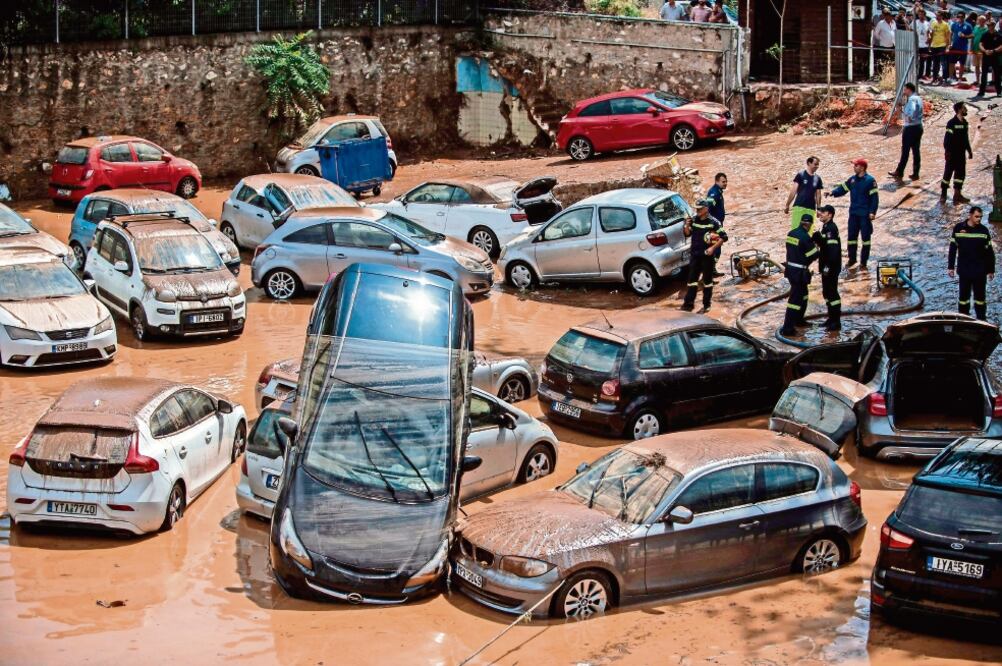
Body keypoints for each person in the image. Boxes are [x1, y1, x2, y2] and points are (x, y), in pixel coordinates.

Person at [830, 158, 879, 270]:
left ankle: (863, 262)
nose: (854, 167)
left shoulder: (870, 181)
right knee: (852, 237)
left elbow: (874, 198)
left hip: (865, 215)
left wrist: (872, 212)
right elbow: (843, 188)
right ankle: (852, 259)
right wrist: (833, 193)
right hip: (853, 214)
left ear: (862, 167)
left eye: (856, 166)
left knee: (865, 239)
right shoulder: (852, 180)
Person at [680, 198, 727, 313]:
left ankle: (707, 305)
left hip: (707, 257)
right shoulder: (694, 220)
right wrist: (686, 225)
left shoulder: (714, 222)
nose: (697, 211)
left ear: (706, 209)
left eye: (700, 209)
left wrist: (712, 248)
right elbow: (687, 234)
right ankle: (688, 305)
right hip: (695, 255)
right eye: (696, 209)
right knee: (692, 281)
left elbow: (724, 237)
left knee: (707, 282)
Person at [948, 206, 995, 320]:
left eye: (980, 217)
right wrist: (950, 267)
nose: (979, 219)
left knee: (980, 299)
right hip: (964, 271)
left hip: (980, 271)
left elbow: (989, 252)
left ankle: (982, 321)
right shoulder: (958, 229)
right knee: (963, 299)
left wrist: (990, 270)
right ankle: (963, 320)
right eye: (976, 217)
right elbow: (952, 248)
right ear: (970, 215)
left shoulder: (984, 231)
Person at [780, 214, 820, 337]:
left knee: (803, 296)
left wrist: (810, 243)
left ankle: (799, 321)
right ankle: (788, 328)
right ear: (808, 224)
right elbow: (812, 256)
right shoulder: (805, 237)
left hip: (791, 270)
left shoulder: (791, 233)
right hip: (799, 272)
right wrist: (816, 245)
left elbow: (797, 249)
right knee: (795, 300)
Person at [813, 205, 842, 331]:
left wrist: (827, 268)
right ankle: (831, 319)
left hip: (831, 267)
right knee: (827, 293)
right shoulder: (825, 228)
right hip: (827, 266)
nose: (820, 213)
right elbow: (825, 246)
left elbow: (833, 251)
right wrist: (818, 239)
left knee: (832, 293)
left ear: (830, 215)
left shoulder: (831, 228)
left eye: (823, 212)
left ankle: (836, 323)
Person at [889, 82, 923, 180]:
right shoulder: (919, 98)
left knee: (905, 151)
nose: (904, 91)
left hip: (910, 128)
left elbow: (910, 115)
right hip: (919, 127)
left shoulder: (911, 100)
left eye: (905, 89)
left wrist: (900, 111)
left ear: (909, 89)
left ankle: (899, 172)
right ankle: (916, 174)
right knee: (916, 151)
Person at [942, 101, 973, 204]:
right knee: (947, 174)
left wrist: (969, 150)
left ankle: (957, 195)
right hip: (952, 154)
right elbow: (946, 140)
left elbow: (966, 139)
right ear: (959, 109)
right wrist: (947, 152)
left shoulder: (965, 123)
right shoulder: (951, 123)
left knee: (960, 175)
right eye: (964, 108)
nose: (966, 110)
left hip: (961, 154)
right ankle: (943, 194)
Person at [785, 156, 823, 229]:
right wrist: (787, 205)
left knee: (809, 232)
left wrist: (819, 208)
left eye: (818, 164)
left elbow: (818, 195)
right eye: (815, 164)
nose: (817, 166)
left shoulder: (818, 178)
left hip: (811, 208)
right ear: (809, 163)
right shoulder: (801, 175)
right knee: (795, 229)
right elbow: (794, 190)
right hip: (799, 206)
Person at [706, 172, 727, 276]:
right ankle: (710, 271)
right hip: (714, 227)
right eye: (723, 182)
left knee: (717, 247)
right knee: (716, 248)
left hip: (718, 224)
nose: (725, 183)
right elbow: (708, 209)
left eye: (726, 181)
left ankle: (712, 270)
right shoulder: (714, 193)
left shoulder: (718, 191)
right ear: (717, 181)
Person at [978, 20, 1002, 97]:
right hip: (986, 56)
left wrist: (994, 50)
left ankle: (999, 91)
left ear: (994, 25)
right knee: (984, 74)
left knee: (997, 74)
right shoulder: (985, 34)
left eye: (990, 25)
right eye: (988, 25)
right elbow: (980, 44)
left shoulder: (999, 35)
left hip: (995, 56)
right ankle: (981, 92)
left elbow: (1001, 46)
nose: (989, 27)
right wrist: (985, 51)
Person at [949, 11, 973, 83]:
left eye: (961, 17)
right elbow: (950, 34)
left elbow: (972, 35)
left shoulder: (968, 25)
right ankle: (951, 78)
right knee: (951, 63)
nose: (960, 18)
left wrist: (965, 36)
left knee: (962, 64)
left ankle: (960, 79)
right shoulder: (954, 24)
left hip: (963, 47)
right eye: (958, 16)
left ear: (964, 17)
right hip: (954, 46)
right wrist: (950, 43)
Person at [930, 11, 953, 83]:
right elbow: (932, 34)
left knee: (943, 63)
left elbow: (948, 36)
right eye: (936, 15)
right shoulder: (933, 23)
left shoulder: (945, 25)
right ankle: (935, 77)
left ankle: (945, 78)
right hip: (934, 45)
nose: (937, 17)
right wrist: (930, 45)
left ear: (942, 16)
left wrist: (947, 46)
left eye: (939, 15)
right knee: (935, 63)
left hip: (942, 45)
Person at [915, 10, 933, 79]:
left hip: (924, 45)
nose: (921, 16)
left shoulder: (927, 23)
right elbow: (910, 30)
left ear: (924, 15)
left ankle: (920, 75)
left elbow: (929, 33)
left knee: (922, 62)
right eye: (919, 14)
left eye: (922, 14)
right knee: (915, 61)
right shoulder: (915, 22)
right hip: (916, 44)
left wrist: (929, 38)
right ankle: (914, 74)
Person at [973, 15, 989, 83]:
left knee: (983, 67)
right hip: (975, 50)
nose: (980, 22)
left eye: (982, 20)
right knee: (976, 66)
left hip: (983, 51)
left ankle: (983, 81)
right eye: (979, 20)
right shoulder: (976, 27)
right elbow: (973, 36)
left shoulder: (987, 29)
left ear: (984, 21)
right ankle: (977, 80)